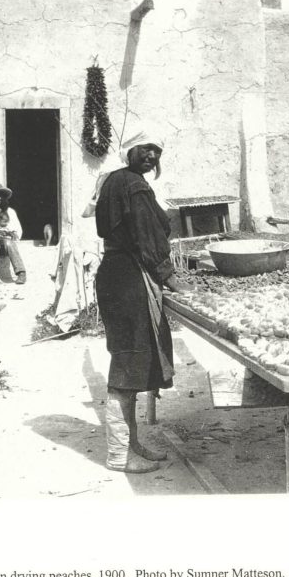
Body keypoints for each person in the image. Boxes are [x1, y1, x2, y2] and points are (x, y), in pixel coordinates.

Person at [95, 127, 194, 474]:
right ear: (129, 151)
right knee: (127, 365)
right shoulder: (133, 185)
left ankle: (131, 444)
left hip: (117, 275)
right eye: (144, 149)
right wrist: (170, 278)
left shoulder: (115, 180)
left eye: (157, 151)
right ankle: (119, 456)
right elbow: (146, 236)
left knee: (132, 363)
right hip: (128, 280)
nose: (151, 156)